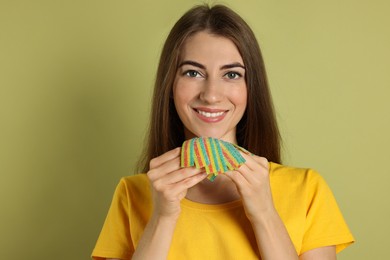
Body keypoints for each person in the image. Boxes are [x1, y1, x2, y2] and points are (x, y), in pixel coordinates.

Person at [92, 4, 354, 260]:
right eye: (193, 72)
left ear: (252, 88)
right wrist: (162, 216)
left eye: (231, 75)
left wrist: (264, 213)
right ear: (170, 84)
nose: (211, 95)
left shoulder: (307, 189)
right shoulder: (132, 193)